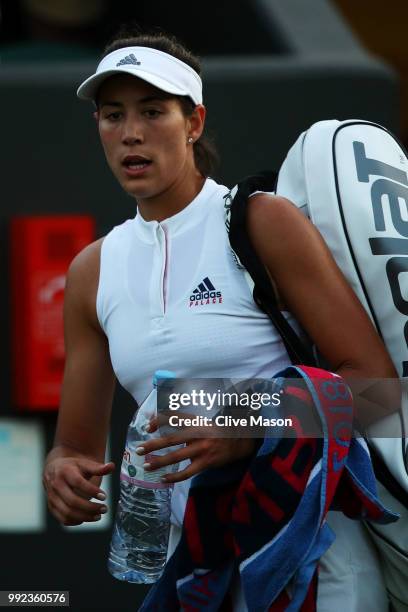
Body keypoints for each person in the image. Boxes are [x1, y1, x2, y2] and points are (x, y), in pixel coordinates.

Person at [43, 26, 397, 610]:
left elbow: (383, 396)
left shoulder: (262, 221)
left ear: (195, 123)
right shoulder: (91, 270)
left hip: (315, 563)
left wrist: (242, 427)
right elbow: (74, 447)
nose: (130, 133)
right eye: (112, 115)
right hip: (195, 570)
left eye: (153, 111)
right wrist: (64, 473)